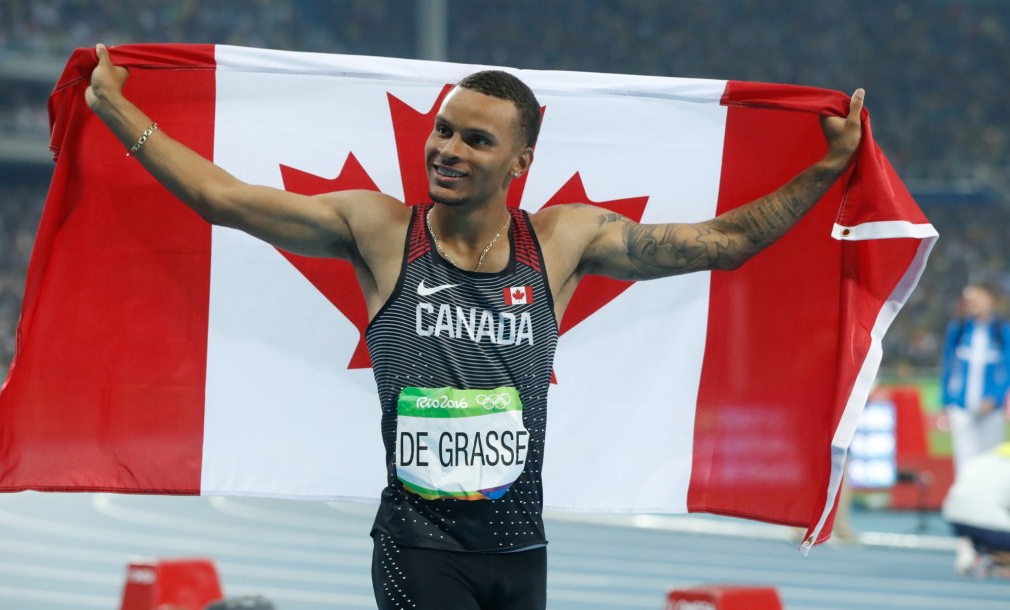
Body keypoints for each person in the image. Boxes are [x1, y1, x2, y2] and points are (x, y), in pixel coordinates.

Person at [84, 43, 864, 610]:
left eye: (475, 139)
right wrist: (116, 107)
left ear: (517, 162)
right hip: (421, 549)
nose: (448, 149)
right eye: (444, 130)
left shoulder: (560, 242)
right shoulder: (381, 231)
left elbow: (722, 244)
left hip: (522, 551)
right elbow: (223, 197)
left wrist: (826, 170)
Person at [940, 283, 1010, 473]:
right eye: (970, 300)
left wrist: (994, 398)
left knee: (992, 463)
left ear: (991, 300)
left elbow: (1007, 369)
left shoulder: (1002, 331)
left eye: (978, 298)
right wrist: (946, 400)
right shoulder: (959, 329)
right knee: (964, 462)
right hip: (960, 408)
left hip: (990, 410)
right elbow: (947, 365)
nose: (973, 303)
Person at [941, 442, 1010, 578]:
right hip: (986, 522)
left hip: (955, 519)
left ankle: (978, 546)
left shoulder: (985, 458)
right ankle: (987, 558)